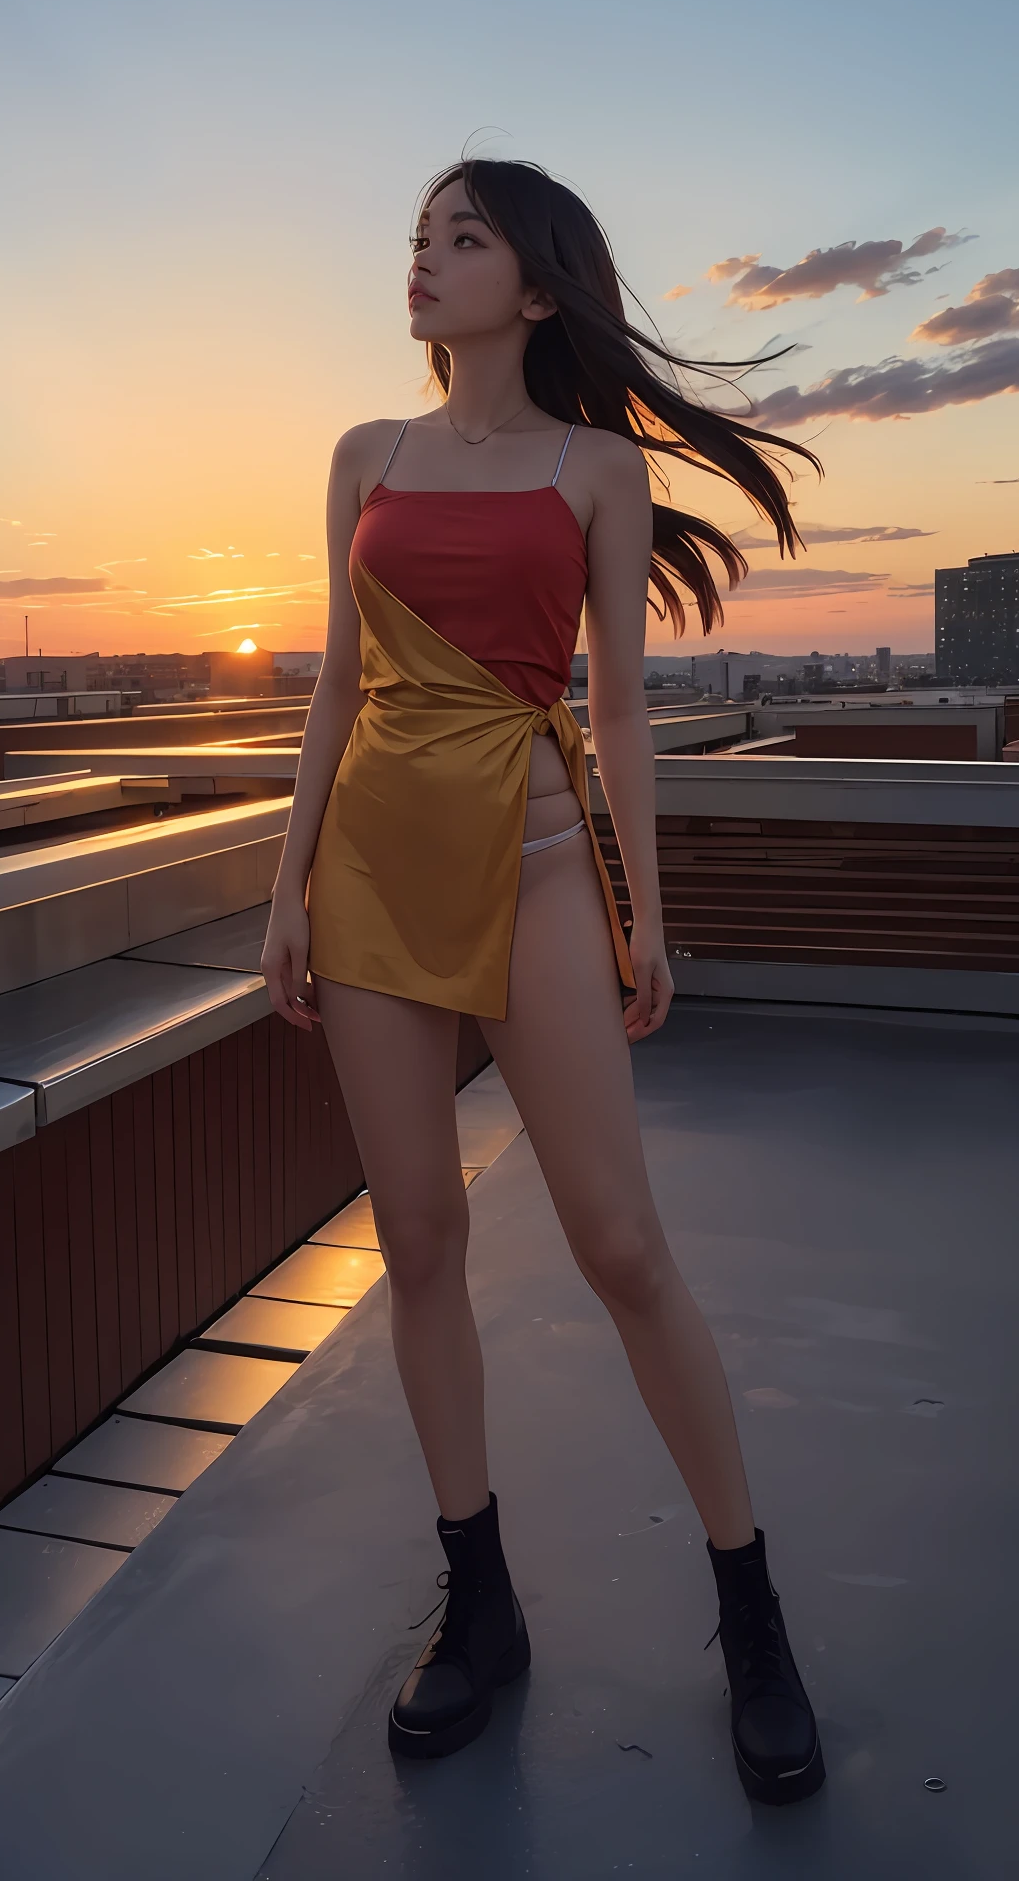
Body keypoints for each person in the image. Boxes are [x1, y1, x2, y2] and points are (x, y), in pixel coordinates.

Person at [261, 158, 825, 1805]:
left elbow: (627, 714)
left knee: (620, 1243)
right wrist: (284, 887)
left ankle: (754, 1613)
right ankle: (482, 1605)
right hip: (369, 872)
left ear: (540, 286)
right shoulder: (367, 455)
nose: (424, 264)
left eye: (462, 237)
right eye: (416, 239)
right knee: (418, 1244)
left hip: (536, 869)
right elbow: (336, 692)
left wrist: (643, 909)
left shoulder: (598, 470)